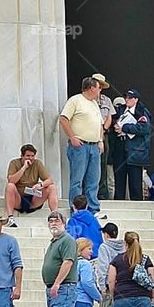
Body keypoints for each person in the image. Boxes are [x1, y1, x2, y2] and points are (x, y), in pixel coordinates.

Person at [59, 77, 104, 215]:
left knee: (93, 179)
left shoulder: (94, 103)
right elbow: (63, 118)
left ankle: (93, 207)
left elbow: (100, 124)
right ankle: (76, 208)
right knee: (77, 179)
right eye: (98, 87)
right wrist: (72, 137)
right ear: (92, 88)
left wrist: (100, 140)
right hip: (80, 144)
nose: (99, 90)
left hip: (94, 145)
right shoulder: (75, 100)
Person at [43, 209, 78, 307]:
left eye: (56, 220)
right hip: (54, 287)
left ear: (64, 223)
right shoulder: (55, 242)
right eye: (51, 221)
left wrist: (57, 283)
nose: (53, 224)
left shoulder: (67, 240)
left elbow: (68, 262)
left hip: (64, 287)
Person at [112, 89, 151, 201]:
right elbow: (113, 121)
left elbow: (144, 128)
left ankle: (137, 204)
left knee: (135, 182)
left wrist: (125, 128)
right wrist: (115, 126)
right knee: (119, 179)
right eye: (126, 97)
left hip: (135, 150)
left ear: (136, 100)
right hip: (120, 147)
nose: (127, 100)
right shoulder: (120, 110)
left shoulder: (142, 111)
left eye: (130, 98)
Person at [5, 144, 59, 220]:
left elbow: (50, 180)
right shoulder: (14, 163)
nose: (30, 158)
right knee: (10, 186)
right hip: (18, 198)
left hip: (33, 197)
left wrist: (40, 184)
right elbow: (11, 180)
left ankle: (55, 215)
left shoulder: (37, 163)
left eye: (32, 156)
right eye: (28, 156)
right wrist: (23, 168)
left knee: (52, 187)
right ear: (22, 156)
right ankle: (10, 217)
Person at [94, 222, 124, 307]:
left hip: (108, 281)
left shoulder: (104, 247)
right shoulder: (123, 246)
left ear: (106, 234)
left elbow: (102, 266)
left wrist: (101, 284)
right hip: (122, 282)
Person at [94, 73, 116, 201]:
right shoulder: (85, 100)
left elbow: (109, 117)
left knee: (103, 164)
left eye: (101, 86)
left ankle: (102, 193)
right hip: (89, 135)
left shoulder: (106, 100)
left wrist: (103, 129)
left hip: (103, 134)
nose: (99, 88)